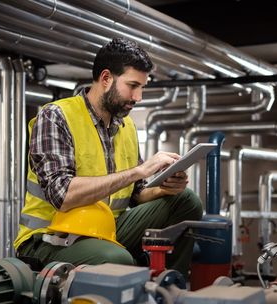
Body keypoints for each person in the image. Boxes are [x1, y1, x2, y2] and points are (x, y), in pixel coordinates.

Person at [13, 37, 203, 278]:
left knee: (187, 200)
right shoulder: (56, 116)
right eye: (133, 86)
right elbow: (62, 195)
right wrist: (138, 172)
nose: (138, 97)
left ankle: (169, 286)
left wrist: (164, 188)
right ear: (106, 79)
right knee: (117, 259)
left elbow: (135, 193)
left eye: (142, 87)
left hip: (106, 228)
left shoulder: (127, 127)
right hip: (51, 236)